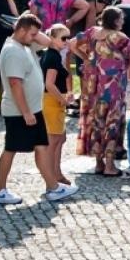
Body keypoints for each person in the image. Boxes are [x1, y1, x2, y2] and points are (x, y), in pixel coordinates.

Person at [0, 13, 79, 205]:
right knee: (10, 149)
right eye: (32, 33)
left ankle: (52, 187)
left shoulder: (26, 44)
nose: (35, 37)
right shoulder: (13, 50)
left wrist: (32, 28)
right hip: (19, 112)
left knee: (42, 147)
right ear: (20, 30)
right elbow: (15, 84)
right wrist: (26, 112)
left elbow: (48, 41)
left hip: (34, 109)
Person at [75, 6, 130, 177]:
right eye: (122, 19)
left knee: (96, 122)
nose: (123, 22)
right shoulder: (117, 36)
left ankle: (98, 163)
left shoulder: (93, 32)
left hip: (93, 87)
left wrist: (88, 58)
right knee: (112, 123)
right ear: (116, 21)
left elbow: (73, 44)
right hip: (112, 87)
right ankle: (110, 165)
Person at [40, 26, 73, 189]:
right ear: (52, 38)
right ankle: (51, 178)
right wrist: (63, 99)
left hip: (53, 101)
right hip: (51, 102)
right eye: (63, 38)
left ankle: (56, 174)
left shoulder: (53, 55)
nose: (66, 41)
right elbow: (49, 84)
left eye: (68, 37)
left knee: (59, 139)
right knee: (53, 142)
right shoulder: (52, 57)